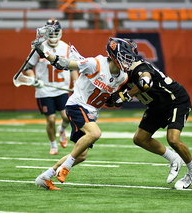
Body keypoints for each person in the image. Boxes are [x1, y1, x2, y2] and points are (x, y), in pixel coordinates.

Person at [33, 37, 137, 190]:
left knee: (81, 155)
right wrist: (45, 52)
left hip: (91, 113)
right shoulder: (95, 64)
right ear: (115, 54)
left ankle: (46, 176)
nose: (128, 61)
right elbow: (65, 64)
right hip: (77, 105)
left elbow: (106, 100)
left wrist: (116, 100)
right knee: (95, 133)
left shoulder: (122, 77)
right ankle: (65, 168)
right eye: (125, 57)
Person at [109, 39, 192, 190]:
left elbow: (145, 82)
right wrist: (111, 98)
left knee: (173, 140)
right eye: (124, 56)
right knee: (140, 139)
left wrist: (125, 95)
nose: (128, 60)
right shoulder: (119, 74)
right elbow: (111, 99)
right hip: (156, 106)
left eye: (129, 56)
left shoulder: (139, 67)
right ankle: (174, 158)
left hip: (175, 100)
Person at [24, 19, 79, 155]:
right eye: (51, 33)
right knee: (50, 119)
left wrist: (77, 83)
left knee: (67, 117)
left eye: (56, 33)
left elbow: (73, 68)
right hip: (44, 90)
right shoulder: (39, 47)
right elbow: (28, 67)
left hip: (62, 88)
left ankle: (61, 130)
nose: (53, 36)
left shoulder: (66, 48)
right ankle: (53, 145)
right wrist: (33, 79)